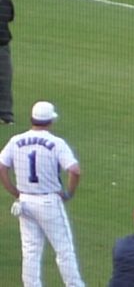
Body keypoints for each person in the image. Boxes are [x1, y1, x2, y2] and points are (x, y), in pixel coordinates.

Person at [0, 101, 85, 286]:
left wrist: (14, 191)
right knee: (64, 250)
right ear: (50, 121)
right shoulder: (56, 143)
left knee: (30, 251)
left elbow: (1, 166)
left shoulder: (16, 141)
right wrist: (68, 193)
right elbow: (75, 170)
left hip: (24, 201)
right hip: (48, 202)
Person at [0, 0, 15, 124]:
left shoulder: (5, 0)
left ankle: (5, 115)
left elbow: (10, 17)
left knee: (5, 79)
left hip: (2, 46)